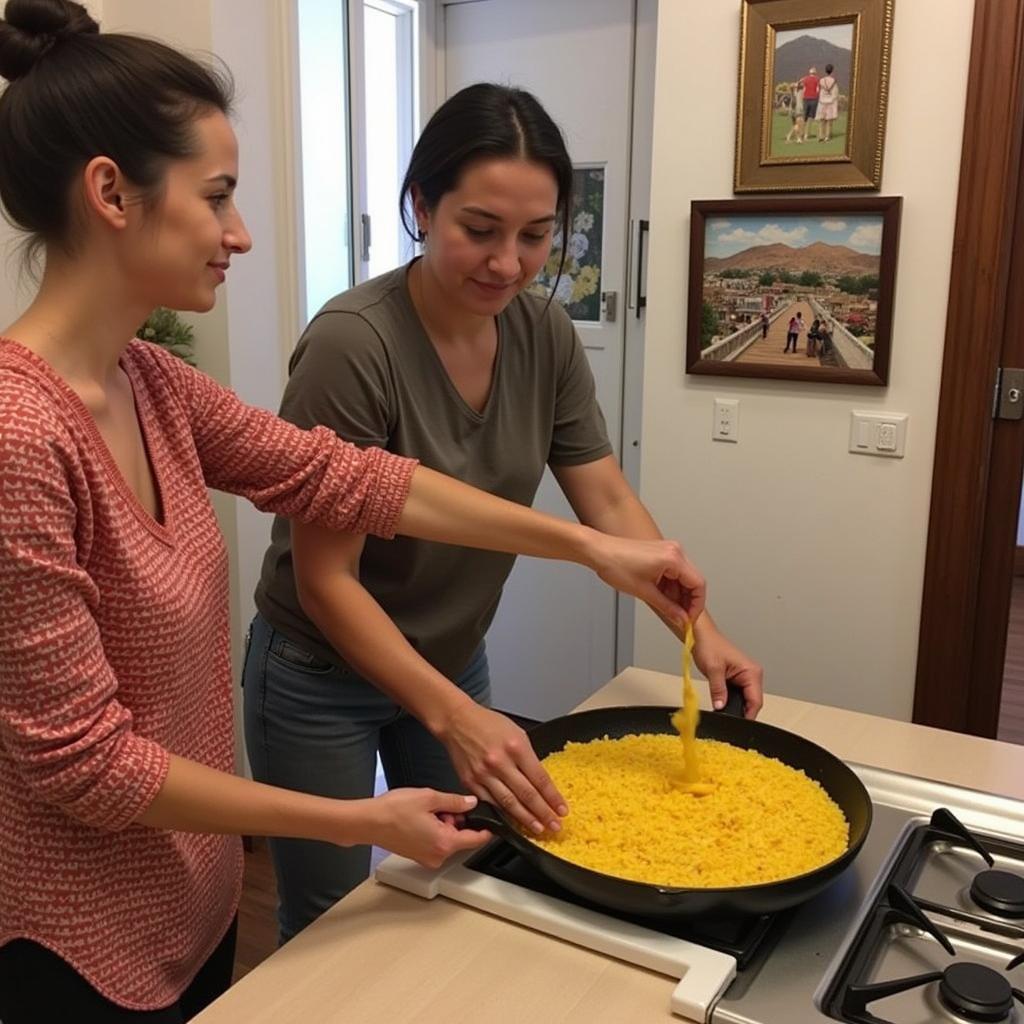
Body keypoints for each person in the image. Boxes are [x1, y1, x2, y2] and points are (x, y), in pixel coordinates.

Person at [0, 5, 707, 1021]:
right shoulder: (22, 432)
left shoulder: (149, 380)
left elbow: (360, 481)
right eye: (219, 197)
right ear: (111, 192)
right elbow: (86, 764)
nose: (240, 231)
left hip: (187, 902)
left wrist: (594, 546)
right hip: (77, 937)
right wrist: (354, 818)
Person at [244, 82, 766, 944]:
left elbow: (603, 495)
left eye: (535, 236)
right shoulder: (353, 343)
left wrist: (699, 631)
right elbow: (325, 579)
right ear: (421, 204)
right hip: (318, 674)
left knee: (467, 877)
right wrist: (453, 715)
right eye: (479, 230)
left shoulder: (543, 334)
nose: (508, 263)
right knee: (332, 914)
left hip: (451, 655)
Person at [816, 63, 840, 143]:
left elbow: (819, 90)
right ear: (832, 71)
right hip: (830, 102)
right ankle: (827, 136)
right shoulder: (834, 81)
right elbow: (835, 93)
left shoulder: (821, 80)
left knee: (822, 120)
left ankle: (820, 136)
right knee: (829, 121)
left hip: (822, 101)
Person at [800, 66, 820, 141]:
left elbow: (804, 88)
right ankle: (806, 135)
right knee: (811, 117)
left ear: (809, 72)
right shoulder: (817, 79)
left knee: (804, 117)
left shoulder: (805, 79)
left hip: (806, 99)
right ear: (815, 73)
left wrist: (803, 98)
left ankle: (802, 133)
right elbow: (817, 89)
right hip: (813, 99)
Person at [784, 79, 805, 144]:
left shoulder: (793, 91)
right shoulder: (800, 91)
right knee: (799, 124)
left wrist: (797, 84)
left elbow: (792, 86)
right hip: (797, 109)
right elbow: (799, 86)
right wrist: (798, 83)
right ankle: (798, 139)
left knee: (795, 125)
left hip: (793, 109)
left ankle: (789, 136)